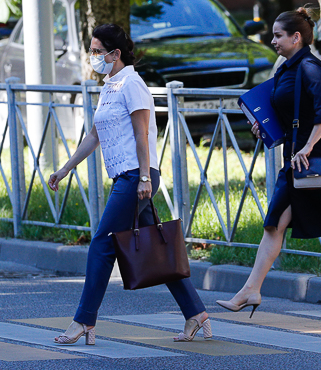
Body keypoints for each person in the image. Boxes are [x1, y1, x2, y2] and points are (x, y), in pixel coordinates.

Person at [47, 23, 212, 345]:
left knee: (101, 244)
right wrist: (65, 169)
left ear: (115, 54)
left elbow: (142, 133)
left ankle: (84, 321)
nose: (93, 57)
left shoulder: (133, 85)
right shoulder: (109, 85)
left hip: (136, 175)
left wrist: (145, 178)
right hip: (126, 176)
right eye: (92, 51)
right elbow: (95, 135)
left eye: (97, 51)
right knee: (159, 248)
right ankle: (195, 312)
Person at [216, 8, 321, 320]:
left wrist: (307, 145)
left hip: (320, 162)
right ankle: (251, 289)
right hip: (296, 163)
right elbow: (292, 110)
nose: (273, 40)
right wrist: (266, 126)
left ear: (297, 37)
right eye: (274, 35)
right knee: (274, 223)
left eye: (279, 35)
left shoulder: (310, 66)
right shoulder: (286, 69)